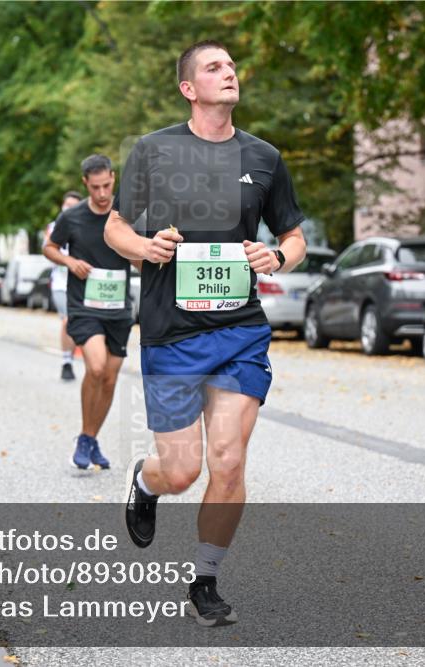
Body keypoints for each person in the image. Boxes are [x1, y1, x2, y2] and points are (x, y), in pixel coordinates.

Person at [103, 41, 307, 627]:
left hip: (240, 331)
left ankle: (205, 580)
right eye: (214, 68)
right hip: (171, 332)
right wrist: (146, 247)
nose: (229, 72)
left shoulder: (264, 157)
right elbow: (117, 225)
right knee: (183, 470)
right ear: (189, 89)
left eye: (232, 66)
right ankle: (145, 482)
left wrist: (277, 258)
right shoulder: (154, 150)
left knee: (229, 459)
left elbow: (292, 235)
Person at [44, 154, 131, 471]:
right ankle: (85, 438)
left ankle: (89, 438)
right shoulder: (73, 217)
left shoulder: (126, 215)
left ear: (113, 177)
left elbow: (141, 256)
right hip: (84, 306)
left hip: (119, 308)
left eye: (107, 185)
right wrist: (69, 262)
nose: (103, 194)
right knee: (95, 368)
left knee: (109, 378)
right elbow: (49, 247)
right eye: (95, 188)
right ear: (85, 184)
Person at [44, 191, 82, 380]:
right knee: (68, 319)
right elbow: (49, 249)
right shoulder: (53, 227)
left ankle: (71, 357)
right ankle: (66, 361)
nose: (70, 208)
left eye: (74, 205)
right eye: (67, 205)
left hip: (80, 282)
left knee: (75, 322)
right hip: (60, 283)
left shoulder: (86, 225)